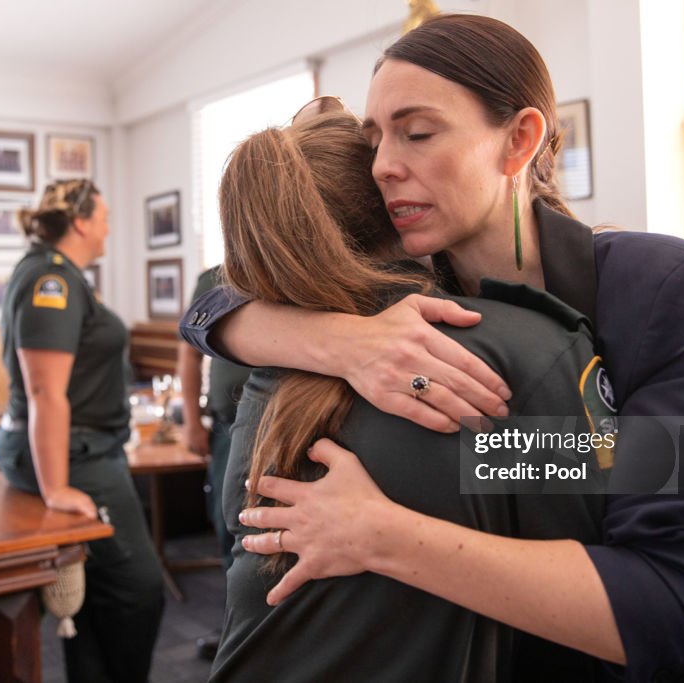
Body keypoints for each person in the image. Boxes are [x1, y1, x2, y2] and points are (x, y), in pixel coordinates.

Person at [183, 14, 684, 683]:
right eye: (372, 141)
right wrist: (344, 342)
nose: (383, 166)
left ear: (518, 141)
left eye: (419, 132)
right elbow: (207, 312)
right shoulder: (406, 302)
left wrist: (381, 534)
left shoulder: (665, 285)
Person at [207, 106, 619, 682]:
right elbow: (613, 593)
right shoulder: (526, 349)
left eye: (419, 134)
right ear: (393, 206)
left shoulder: (260, 363)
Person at [0, 179, 164, 682]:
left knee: (95, 593)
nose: (109, 228)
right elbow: (45, 390)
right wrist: (57, 486)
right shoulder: (53, 280)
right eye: (105, 218)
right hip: (76, 457)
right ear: (83, 222)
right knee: (138, 589)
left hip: (84, 448)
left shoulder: (59, 274)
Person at [177, 264, 252, 660]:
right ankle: (233, 627)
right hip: (225, 428)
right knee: (227, 528)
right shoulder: (212, 279)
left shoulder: (284, 265)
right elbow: (189, 356)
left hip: (275, 426)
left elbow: (479, 464)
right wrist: (192, 419)